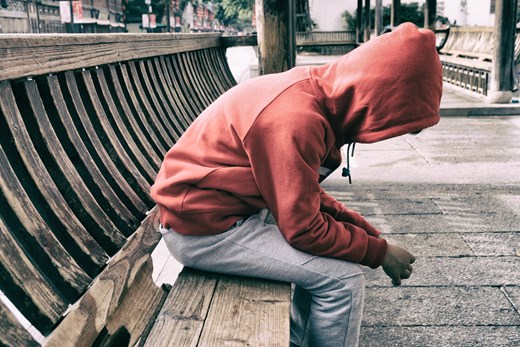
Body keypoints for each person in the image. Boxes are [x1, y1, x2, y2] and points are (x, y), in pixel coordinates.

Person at [151, 22, 443, 347]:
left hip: (220, 213)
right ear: (378, 98)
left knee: (333, 262)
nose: (386, 134)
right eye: (394, 123)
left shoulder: (313, 93)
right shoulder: (296, 121)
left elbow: (308, 198)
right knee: (343, 282)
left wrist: (373, 238)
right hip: (203, 232)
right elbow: (304, 230)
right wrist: (378, 253)